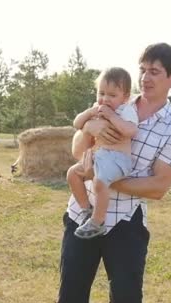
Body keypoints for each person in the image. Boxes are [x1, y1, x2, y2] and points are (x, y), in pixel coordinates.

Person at [53, 43, 171, 303]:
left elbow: (158, 187)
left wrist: (103, 178)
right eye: (143, 69)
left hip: (126, 224)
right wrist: (90, 127)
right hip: (81, 216)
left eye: (154, 71)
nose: (146, 77)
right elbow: (77, 150)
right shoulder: (116, 101)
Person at [67, 67, 138, 239]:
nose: (105, 99)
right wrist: (89, 115)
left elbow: (130, 131)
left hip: (118, 160)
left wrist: (113, 117)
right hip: (99, 157)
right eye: (101, 93)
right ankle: (86, 210)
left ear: (125, 97)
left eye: (112, 95)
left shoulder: (125, 110)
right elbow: (77, 124)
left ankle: (97, 221)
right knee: (72, 174)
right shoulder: (96, 108)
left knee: (99, 181)